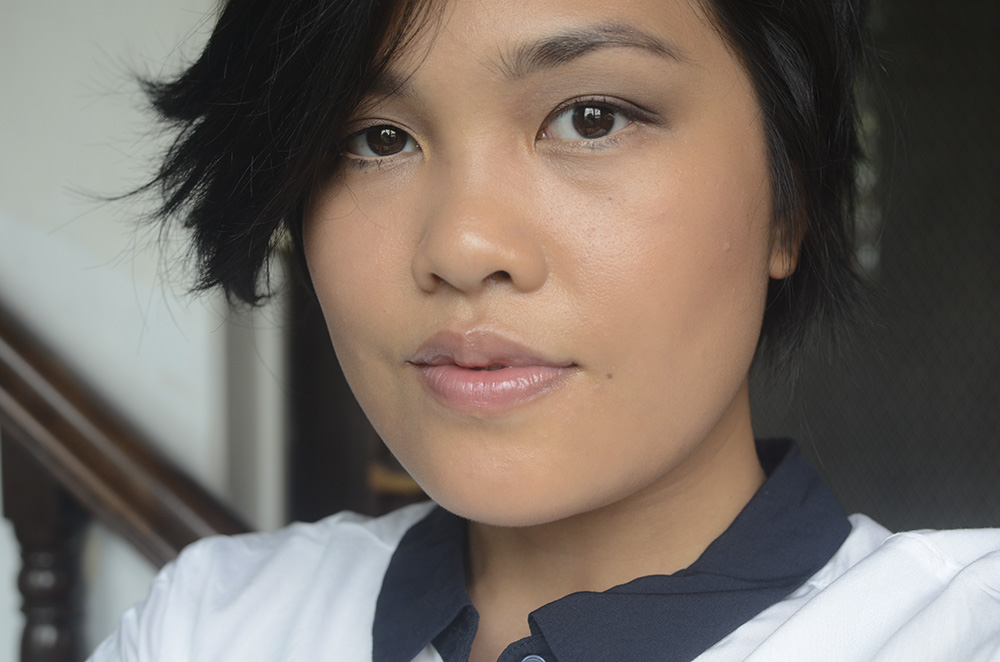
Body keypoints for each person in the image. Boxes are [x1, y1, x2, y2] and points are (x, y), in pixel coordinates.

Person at [89, 0, 1000, 660]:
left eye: (590, 119)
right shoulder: (210, 624)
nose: (461, 247)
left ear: (788, 202)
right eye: (374, 138)